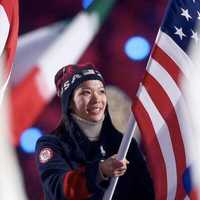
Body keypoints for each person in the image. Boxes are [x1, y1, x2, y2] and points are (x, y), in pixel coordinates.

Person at [35, 63, 155, 200]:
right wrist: (100, 171)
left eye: (101, 91)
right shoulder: (51, 144)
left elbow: (148, 194)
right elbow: (57, 190)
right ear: (69, 102)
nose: (97, 99)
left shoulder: (126, 144)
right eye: (86, 92)